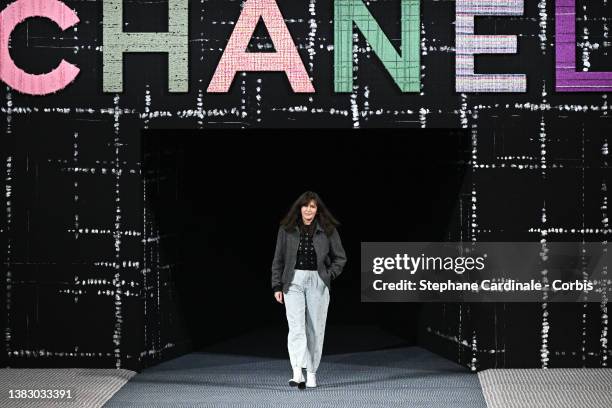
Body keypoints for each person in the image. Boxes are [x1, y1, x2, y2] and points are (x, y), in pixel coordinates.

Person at [271, 191, 347, 389]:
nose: (308, 210)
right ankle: (297, 372)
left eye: (312, 206)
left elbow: (340, 257)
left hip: (317, 281)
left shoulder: (328, 230)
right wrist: (277, 285)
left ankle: (311, 372)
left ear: (317, 210)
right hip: (293, 281)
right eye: (305, 206)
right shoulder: (286, 229)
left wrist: (328, 276)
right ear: (299, 208)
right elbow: (278, 259)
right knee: (296, 328)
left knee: (315, 330)